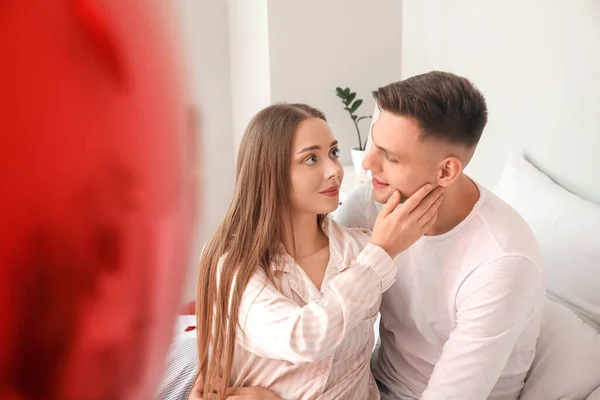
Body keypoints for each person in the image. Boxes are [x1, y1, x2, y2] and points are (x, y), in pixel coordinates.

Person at [189, 103, 443, 400]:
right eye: (311, 158)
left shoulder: (360, 247)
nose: (335, 170)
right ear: (269, 172)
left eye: (333, 153)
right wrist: (381, 254)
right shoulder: (232, 264)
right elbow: (303, 338)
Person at [334, 71, 545, 399]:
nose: (368, 165)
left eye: (391, 157)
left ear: (446, 171)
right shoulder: (370, 205)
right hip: (373, 384)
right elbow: (318, 305)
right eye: (375, 143)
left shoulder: (502, 263)